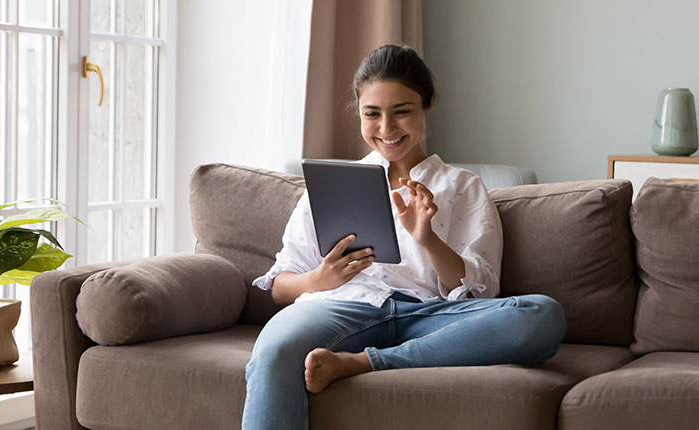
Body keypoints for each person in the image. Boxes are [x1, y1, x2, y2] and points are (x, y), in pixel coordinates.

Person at [241, 44, 567, 430]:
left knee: (542, 315)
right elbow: (281, 287)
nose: (386, 128)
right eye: (372, 114)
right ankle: (370, 355)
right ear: (358, 112)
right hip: (342, 307)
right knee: (274, 349)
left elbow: (481, 294)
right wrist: (320, 279)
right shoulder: (330, 184)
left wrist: (427, 239)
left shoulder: (462, 186)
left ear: (428, 104)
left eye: (402, 111)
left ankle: (365, 362)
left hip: (429, 316)